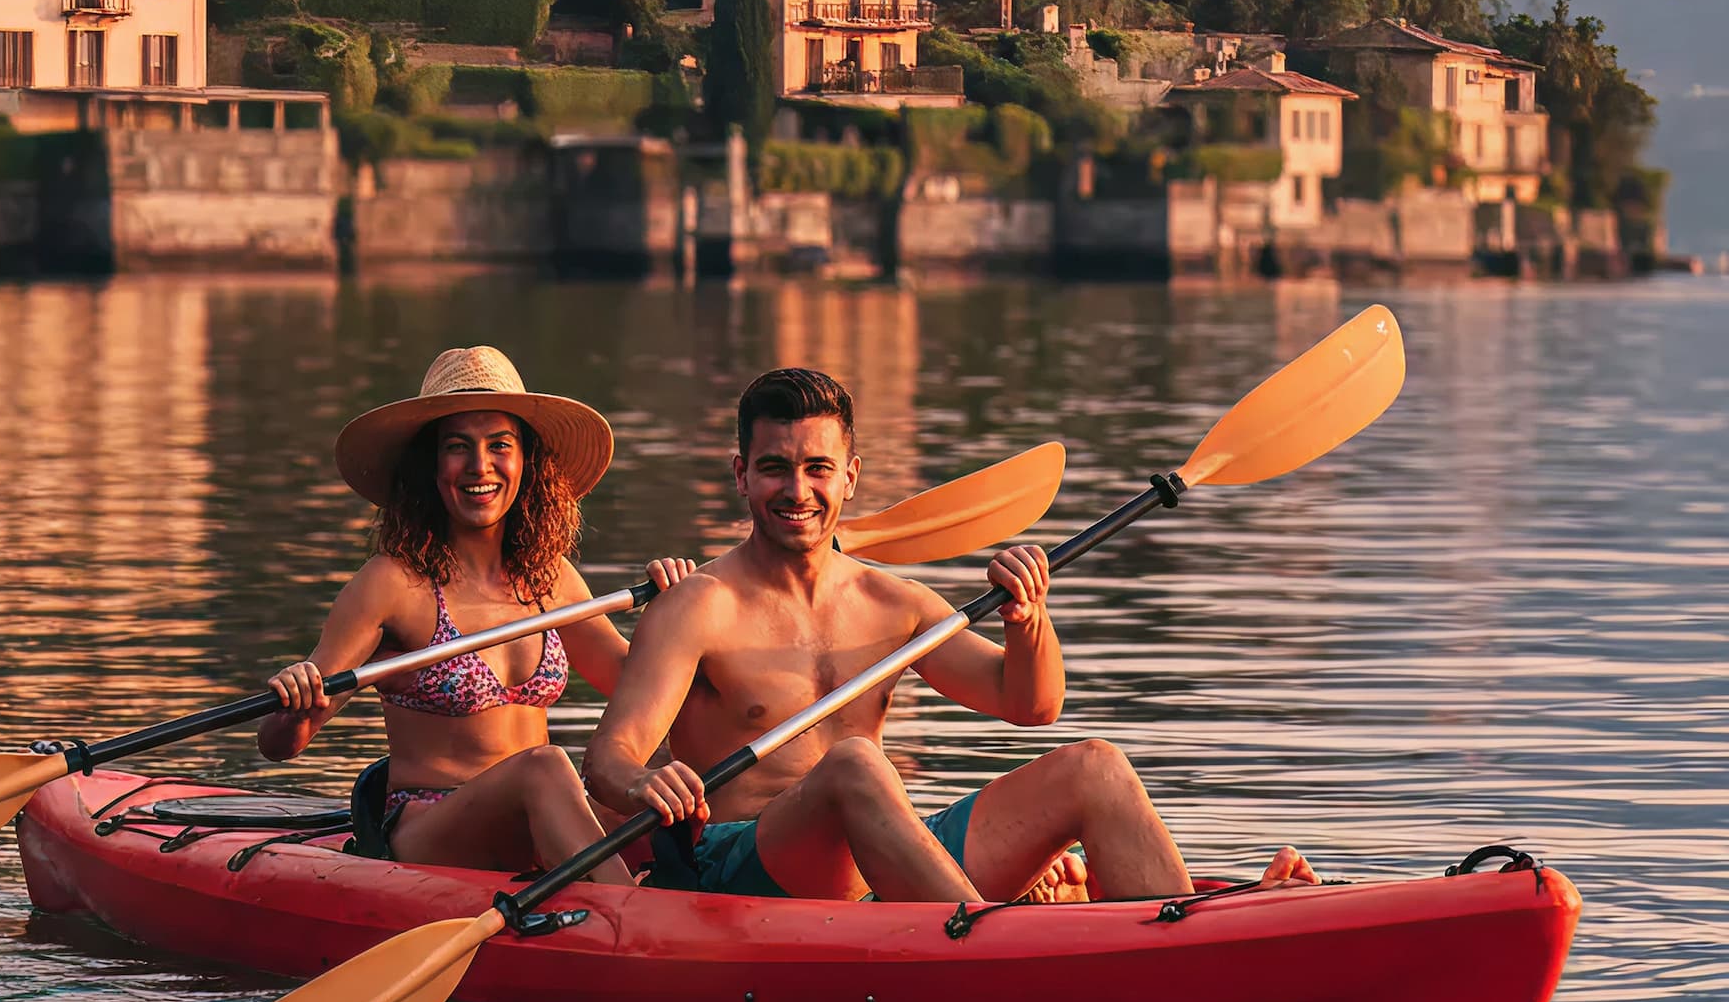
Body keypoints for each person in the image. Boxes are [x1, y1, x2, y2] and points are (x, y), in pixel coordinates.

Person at [586, 363, 1315, 907]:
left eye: (817, 469)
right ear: (742, 477)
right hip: (740, 867)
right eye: (774, 469)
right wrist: (647, 780)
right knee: (855, 766)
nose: (797, 491)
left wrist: (1027, 622)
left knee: (1095, 765)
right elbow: (608, 759)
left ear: (851, 479)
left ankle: (1185, 933)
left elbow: (1029, 705)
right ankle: (986, 942)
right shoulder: (699, 605)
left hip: (876, 862)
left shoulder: (891, 600)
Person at [260, 345, 691, 876]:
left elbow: (642, 689)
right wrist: (297, 699)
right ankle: (634, 926)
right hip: (429, 827)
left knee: (668, 783)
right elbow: (281, 744)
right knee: (545, 768)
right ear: (430, 465)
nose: (479, 466)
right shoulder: (392, 583)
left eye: (499, 445)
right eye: (457, 447)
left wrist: (675, 618)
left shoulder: (549, 577)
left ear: (525, 460)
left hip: (535, 813)